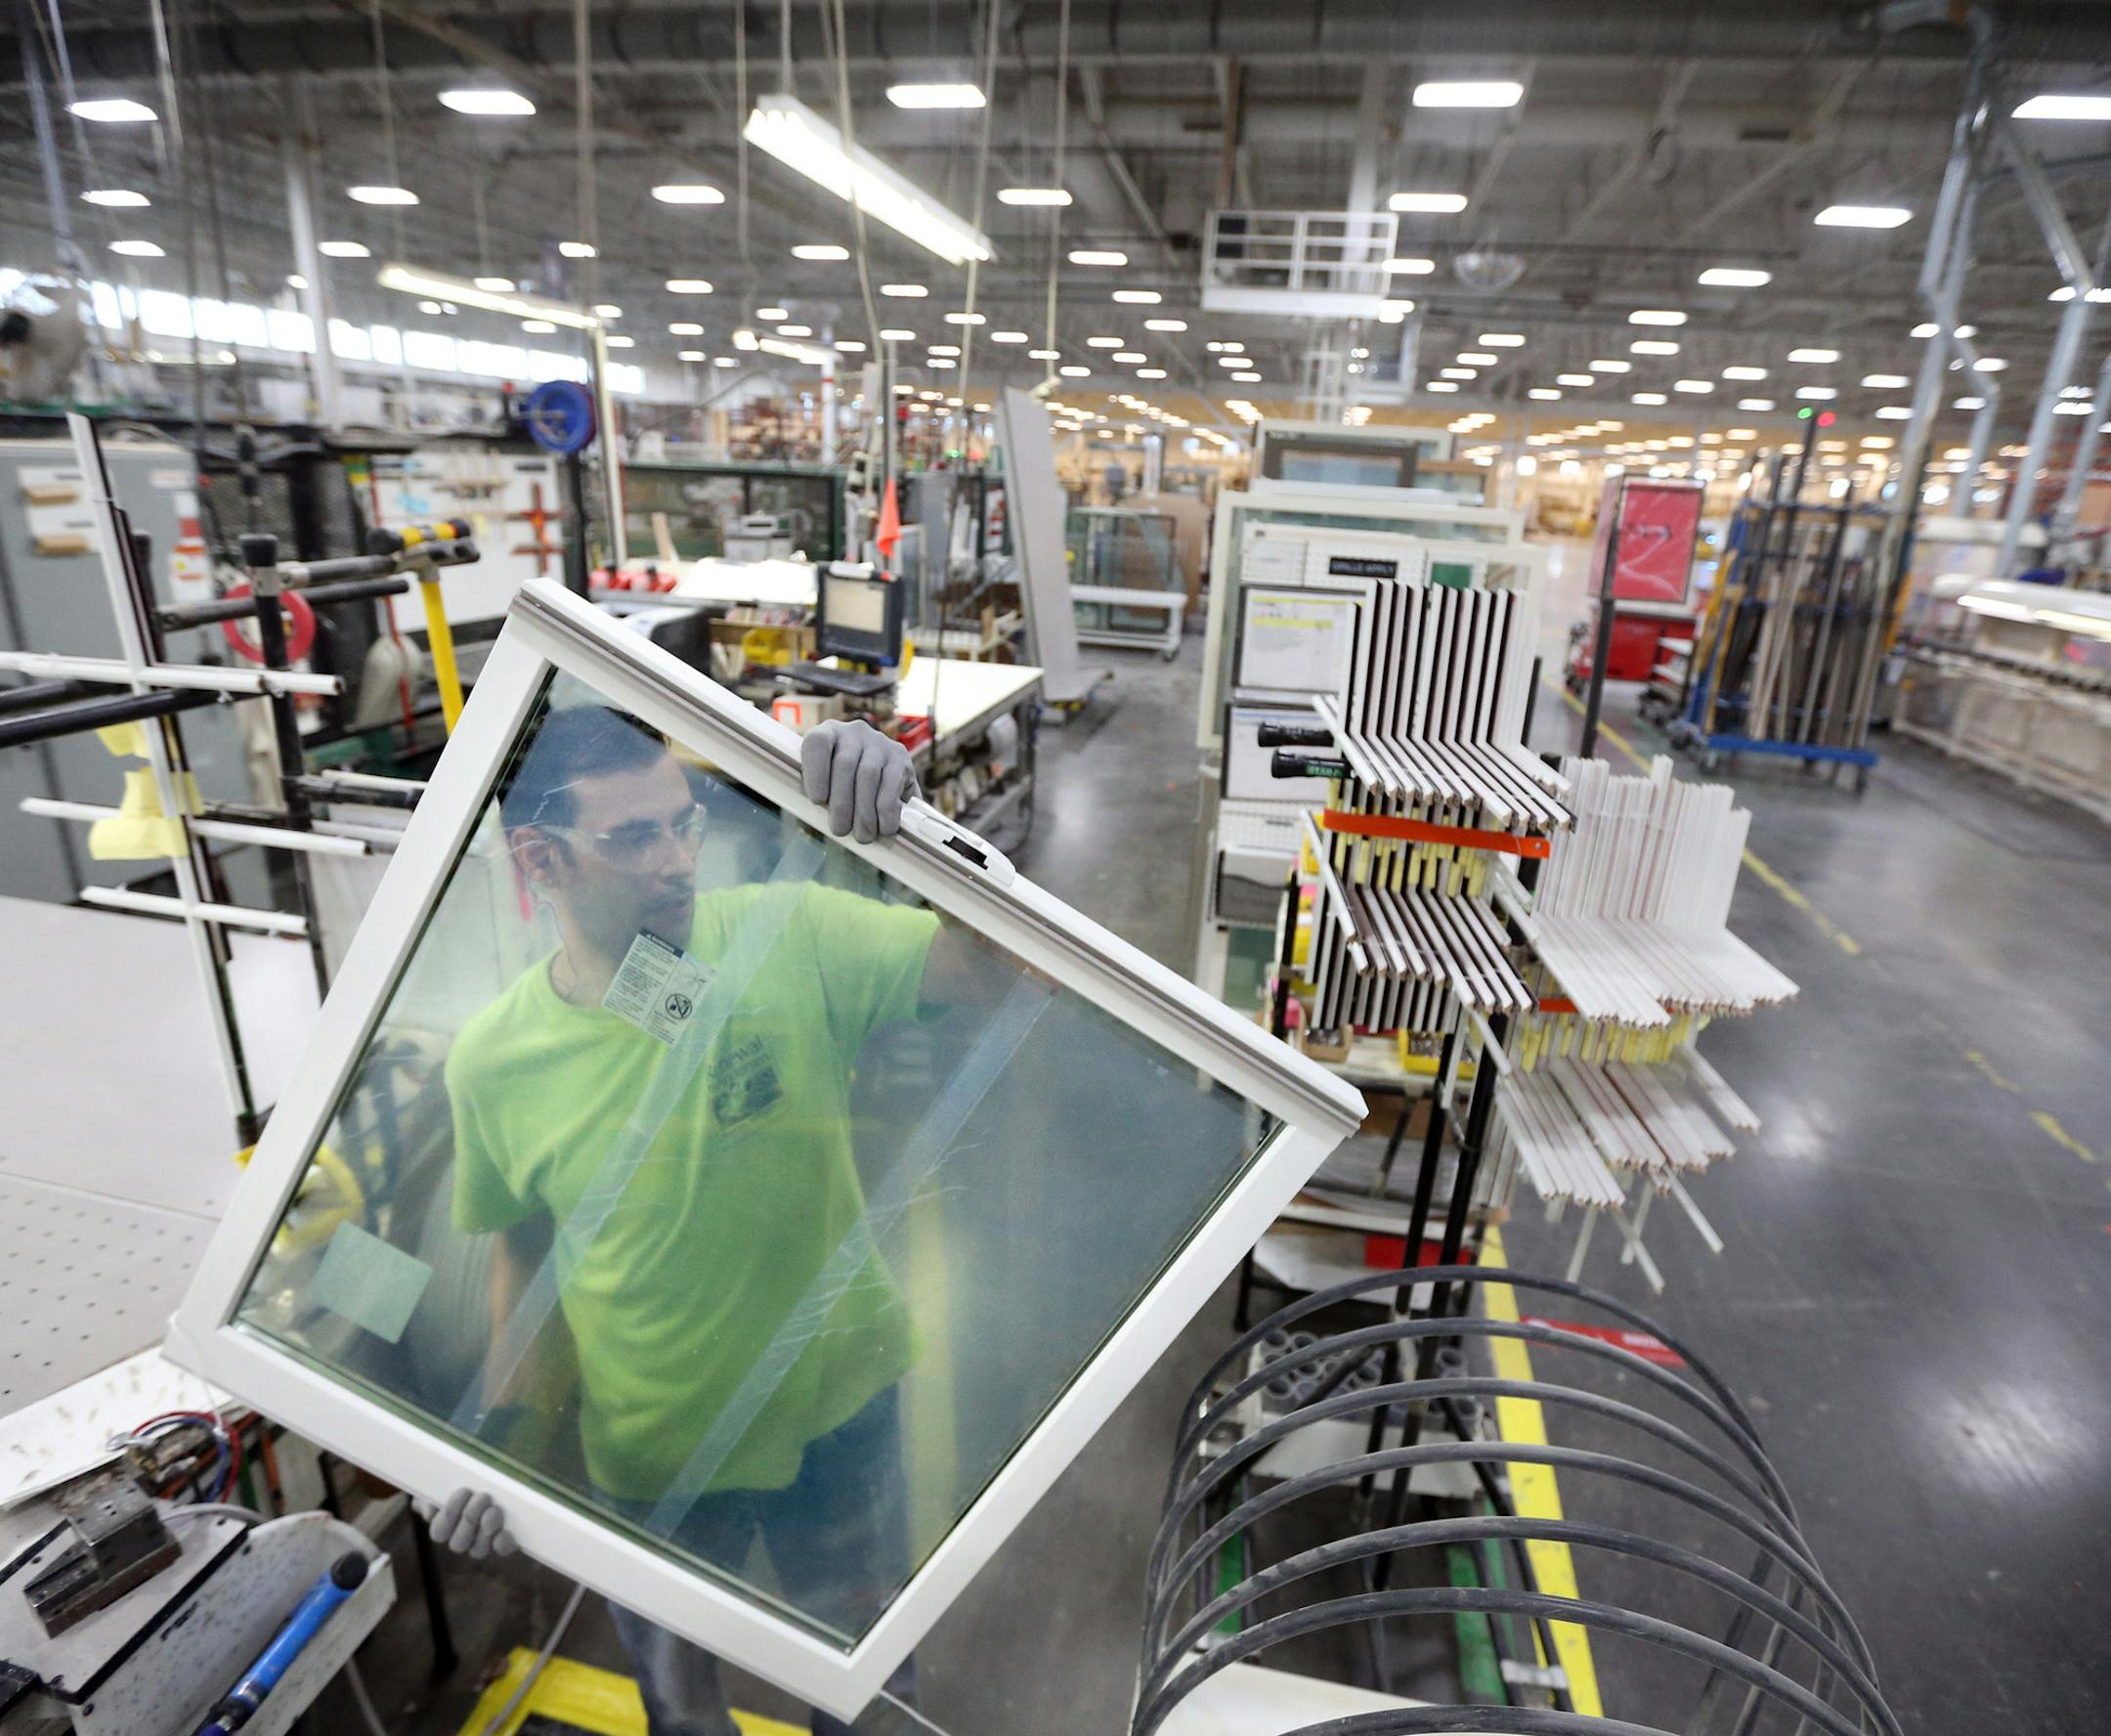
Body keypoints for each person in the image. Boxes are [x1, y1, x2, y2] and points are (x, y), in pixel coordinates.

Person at [426, 706, 989, 1735]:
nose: (678, 862)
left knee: (871, 1699)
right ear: (539, 859)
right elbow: (527, 1253)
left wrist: (919, 827)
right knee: (682, 1717)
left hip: (836, 1410)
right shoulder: (494, 1061)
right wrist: (494, 1445)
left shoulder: (788, 933)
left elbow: (999, 968)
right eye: (633, 837)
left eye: (682, 825)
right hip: (654, 1454)